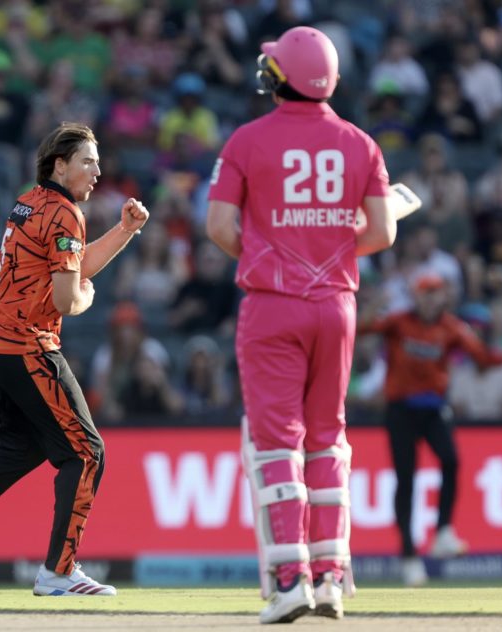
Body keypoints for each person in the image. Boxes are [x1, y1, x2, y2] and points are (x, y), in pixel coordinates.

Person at [206, 26, 396, 623]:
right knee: (327, 438)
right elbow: (383, 233)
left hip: (272, 304)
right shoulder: (361, 143)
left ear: (280, 77)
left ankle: (290, 580)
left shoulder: (246, 140)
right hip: (338, 305)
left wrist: (271, 252)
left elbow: (219, 227)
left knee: (276, 442)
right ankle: (331, 574)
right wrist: (331, 249)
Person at [0, 123, 148, 597]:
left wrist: (124, 230)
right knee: (86, 452)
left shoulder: (30, 200)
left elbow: (70, 264)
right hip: (27, 342)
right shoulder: (65, 214)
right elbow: (68, 296)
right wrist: (86, 297)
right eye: (88, 161)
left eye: (98, 161)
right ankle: (59, 572)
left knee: (24, 444)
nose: (97, 171)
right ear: (59, 165)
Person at [358, 273, 502, 587]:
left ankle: (443, 532)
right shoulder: (398, 322)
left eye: (435, 293)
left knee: (451, 461)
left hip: (434, 408)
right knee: (406, 480)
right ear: (415, 296)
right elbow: (359, 329)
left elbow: (481, 356)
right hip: (400, 411)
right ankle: (409, 556)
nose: (430, 299)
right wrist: (374, 307)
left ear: (443, 297)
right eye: (425, 293)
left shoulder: (451, 327)